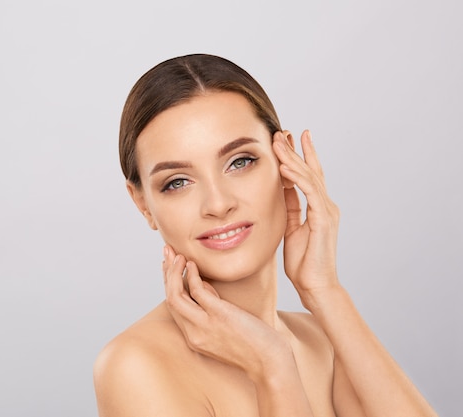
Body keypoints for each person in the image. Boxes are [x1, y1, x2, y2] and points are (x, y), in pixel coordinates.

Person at [93, 54, 437, 417]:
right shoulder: (135, 366)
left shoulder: (321, 340)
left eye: (240, 161)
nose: (219, 203)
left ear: (285, 160)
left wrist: (326, 292)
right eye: (177, 182)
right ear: (143, 204)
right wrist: (273, 369)